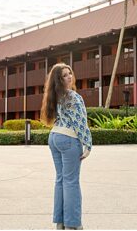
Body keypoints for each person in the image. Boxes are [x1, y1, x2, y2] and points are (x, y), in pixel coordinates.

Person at [41, 63, 92, 231]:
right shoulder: (74, 97)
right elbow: (80, 123)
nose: (69, 76)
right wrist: (88, 144)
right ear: (59, 79)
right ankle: (73, 223)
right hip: (69, 139)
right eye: (65, 75)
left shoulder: (54, 96)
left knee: (61, 180)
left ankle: (60, 222)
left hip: (54, 137)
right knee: (71, 181)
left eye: (70, 73)